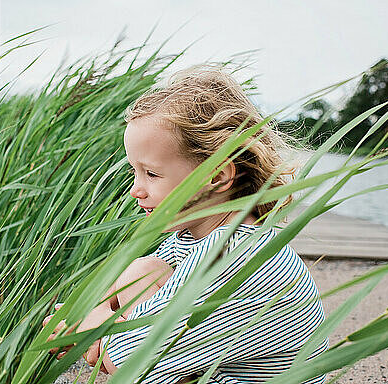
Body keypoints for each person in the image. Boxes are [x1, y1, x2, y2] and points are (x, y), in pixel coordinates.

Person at [43, 64, 328, 383]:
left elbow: (132, 367)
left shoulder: (234, 258)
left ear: (218, 175)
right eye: (133, 173)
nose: (136, 189)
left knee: (137, 301)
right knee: (143, 270)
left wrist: (90, 327)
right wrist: (75, 315)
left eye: (151, 173)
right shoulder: (196, 236)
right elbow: (124, 289)